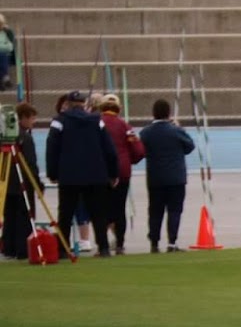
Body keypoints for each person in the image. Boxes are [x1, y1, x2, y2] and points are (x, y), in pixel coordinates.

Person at [45, 89, 119, 258]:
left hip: (69, 175)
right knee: (98, 213)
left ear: (68, 104)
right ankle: (104, 248)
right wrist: (113, 173)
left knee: (65, 214)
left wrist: (53, 173)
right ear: (84, 104)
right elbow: (109, 149)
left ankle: (63, 249)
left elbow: (52, 149)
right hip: (96, 174)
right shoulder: (96, 121)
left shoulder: (59, 122)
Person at [139, 98, 195, 253]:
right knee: (174, 210)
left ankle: (154, 242)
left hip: (156, 177)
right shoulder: (175, 130)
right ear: (168, 113)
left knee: (155, 211)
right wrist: (180, 129)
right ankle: (172, 242)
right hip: (175, 177)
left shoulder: (146, 132)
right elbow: (190, 146)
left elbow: (140, 151)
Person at [95, 94, 144, 255]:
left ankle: (102, 245)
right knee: (119, 208)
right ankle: (120, 244)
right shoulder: (125, 126)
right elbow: (138, 150)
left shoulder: (96, 124)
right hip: (122, 172)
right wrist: (130, 160)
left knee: (100, 209)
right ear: (118, 108)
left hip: (101, 171)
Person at [1, 102, 39, 260]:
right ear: (23, 118)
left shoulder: (6, 138)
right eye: (31, 119)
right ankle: (23, 248)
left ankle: (8, 247)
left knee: (9, 216)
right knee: (23, 216)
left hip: (6, 183)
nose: (33, 122)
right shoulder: (25, 137)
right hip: (22, 183)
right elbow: (30, 162)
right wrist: (37, 183)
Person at [0, 14, 16, 91]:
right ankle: (5, 77)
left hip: (5, 56)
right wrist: (3, 47)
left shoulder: (5, 34)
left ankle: (2, 80)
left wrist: (9, 31)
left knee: (2, 56)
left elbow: (10, 47)